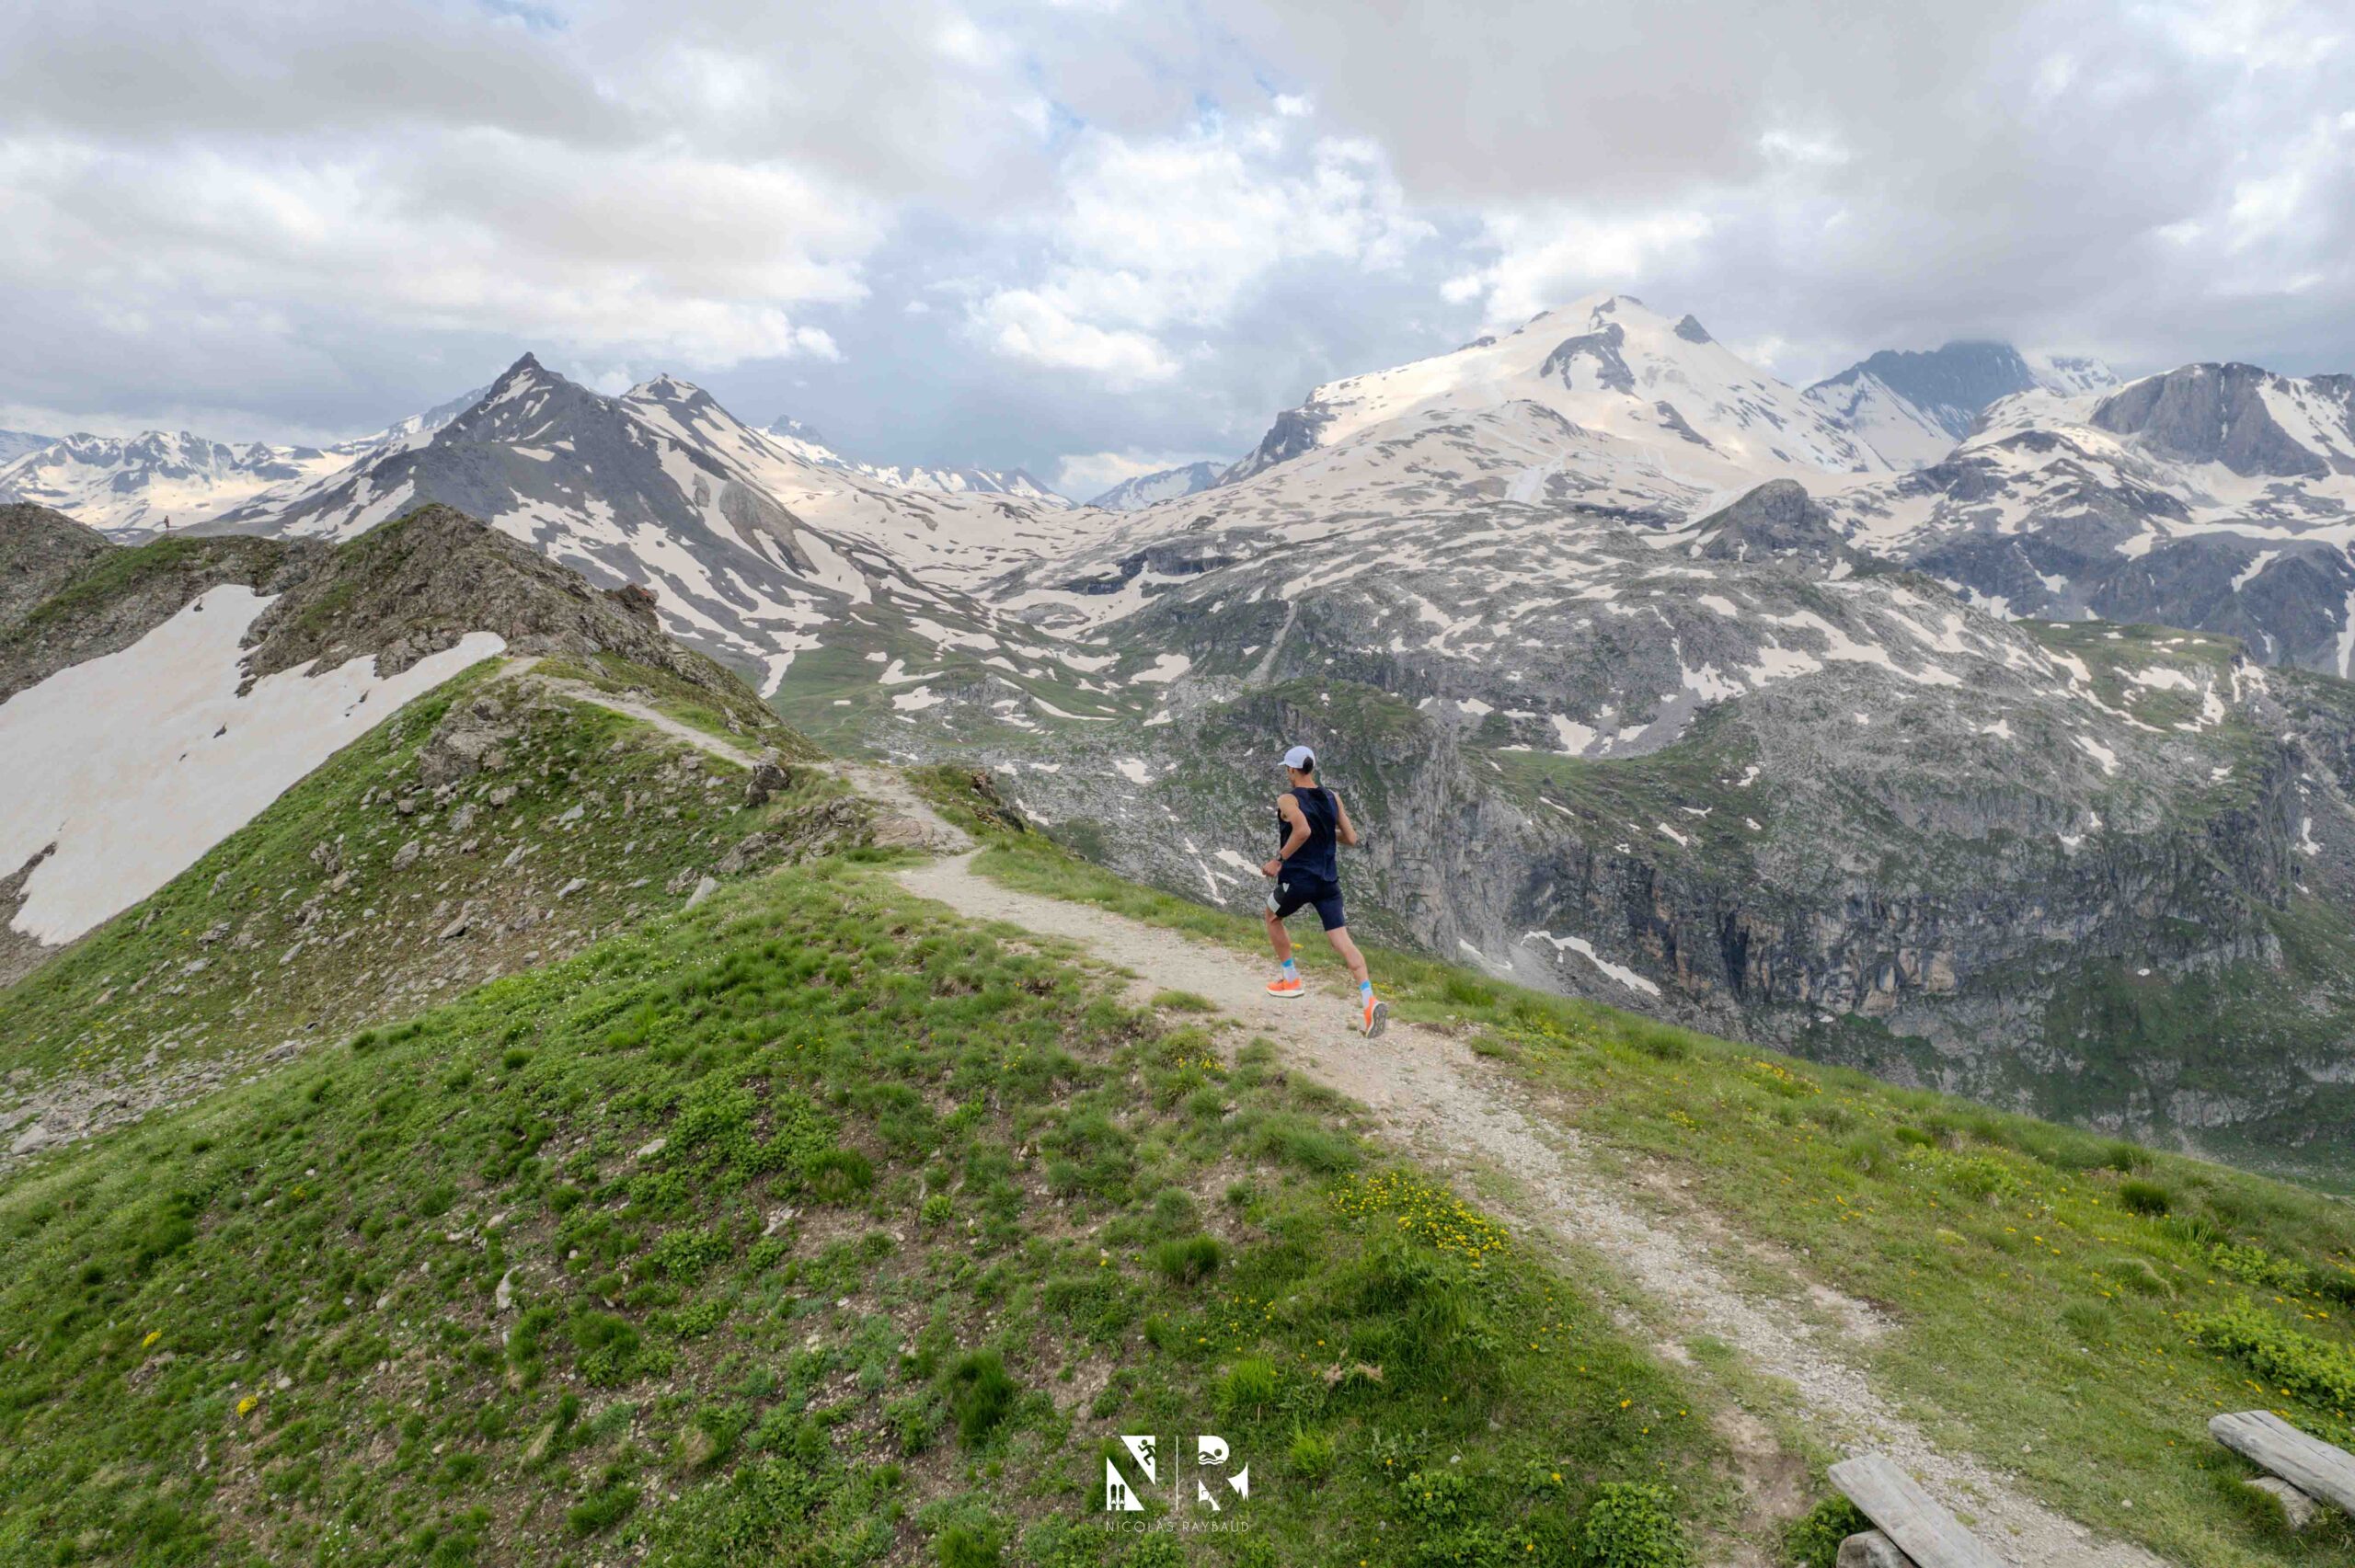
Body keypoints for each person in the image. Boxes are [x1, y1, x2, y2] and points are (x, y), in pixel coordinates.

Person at [1261, 744, 1386, 1038]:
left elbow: (1302, 830)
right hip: (1328, 882)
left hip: (1299, 879)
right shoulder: (1333, 797)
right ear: (1312, 767)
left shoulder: (1288, 799)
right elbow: (1351, 838)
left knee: (1272, 916)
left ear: (1292, 770)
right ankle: (1369, 1001)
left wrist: (1278, 860)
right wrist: (1326, 832)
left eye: (1287, 769)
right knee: (1341, 940)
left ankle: (1291, 979)